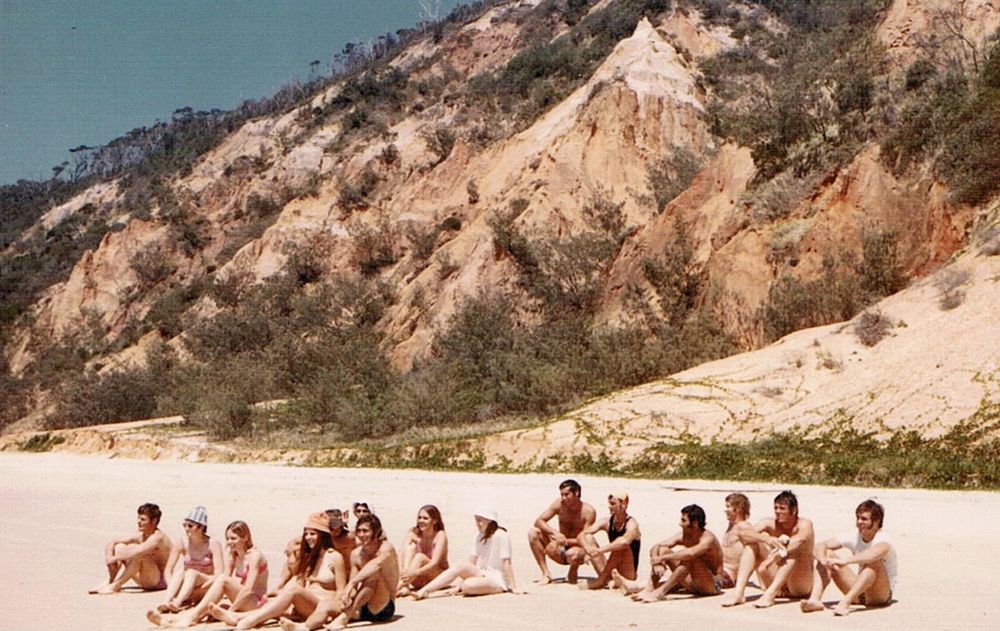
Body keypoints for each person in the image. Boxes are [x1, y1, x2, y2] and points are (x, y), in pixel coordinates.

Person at [210, 512, 346, 630]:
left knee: (292, 590)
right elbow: (300, 581)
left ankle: (249, 621)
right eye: (306, 534)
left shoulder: (334, 557)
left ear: (323, 536)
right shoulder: (310, 557)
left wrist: (329, 612)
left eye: (313, 534)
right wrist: (282, 595)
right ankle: (237, 617)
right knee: (274, 605)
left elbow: (341, 591)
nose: (308, 537)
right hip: (305, 604)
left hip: (321, 605)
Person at [147, 520, 269, 627]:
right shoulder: (233, 555)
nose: (229, 542)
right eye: (227, 538)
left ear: (245, 537)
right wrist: (201, 591)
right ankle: (171, 620)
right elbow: (222, 581)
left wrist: (231, 611)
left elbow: (248, 589)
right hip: (242, 599)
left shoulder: (255, 556)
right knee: (208, 608)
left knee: (222, 584)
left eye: (233, 538)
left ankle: (192, 618)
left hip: (256, 602)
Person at [800, 499, 896, 616]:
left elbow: (873, 554)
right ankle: (814, 600)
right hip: (860, 593)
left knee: (874, 562)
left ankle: (845, 603)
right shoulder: (854, 535)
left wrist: (845, 561)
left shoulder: (883, 538)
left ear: (876, 522)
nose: (859, 522)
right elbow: (820, 546)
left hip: (880, 595)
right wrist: (823, 560)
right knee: (827, 553)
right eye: (858, 518)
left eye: (864, 519)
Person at [721, 490, 815, 608]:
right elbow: (743, 534)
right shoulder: (769, 523)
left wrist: (771, 559)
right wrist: (766, 539)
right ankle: (738, 594)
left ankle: (770, 596)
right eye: (776, 508)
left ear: (794, 510)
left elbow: (799, 541)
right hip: (775, 579)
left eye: (782, 508)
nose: (777, 511)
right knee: (752, 544)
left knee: (794, 550)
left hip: (799, 585)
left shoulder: (804, 524)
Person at [617, 505, 723, 602]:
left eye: (684, 521)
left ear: (695, 523)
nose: (680, 524)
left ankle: (660, 592)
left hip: (712, 584)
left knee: (689, 558)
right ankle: (650, 589)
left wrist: (663, 558)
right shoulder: (683, 536)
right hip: (693, 581)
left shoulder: (708, 538)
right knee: (663, 550)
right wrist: (657, 562)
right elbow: (657, 546)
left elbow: (691, 553)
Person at [413, 506, 520, 599]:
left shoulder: (501, 535)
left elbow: (506, 563)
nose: (477, 524)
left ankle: (478, 586)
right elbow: (471, 562)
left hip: (497, 580)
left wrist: (514, 588)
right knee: (461, 565)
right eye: (476, 520)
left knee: (467, 585)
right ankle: (425, 591)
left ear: (489, 521)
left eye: (480, 520)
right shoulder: (479, 536)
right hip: (482, 573)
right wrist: (458, 585)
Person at [327, 514, 400, 628]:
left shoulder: (386, 548)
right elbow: (353, 587)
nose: (361, 535)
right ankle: (303, 626)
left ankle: (345, 617)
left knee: (373, 575)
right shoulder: (356, 554)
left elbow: (375, 565)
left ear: (376, 532)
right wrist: (347, 597)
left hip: (383, 607)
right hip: (362, 605)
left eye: (365, 531)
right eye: (359, 531)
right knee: (327, 607)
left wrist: (351, 584)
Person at [152, 506, 224, 613]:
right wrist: (172, 586)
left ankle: (178, 602)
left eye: (190, 526)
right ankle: (166, 601)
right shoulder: (181, 543)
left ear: (201, 527)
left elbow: (219, 574)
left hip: (206, 583)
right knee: (181, 572)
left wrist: (199, 590)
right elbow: (168, 570)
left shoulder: (213, 544)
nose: (186, 528)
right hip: (186, 585)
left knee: (191, 573)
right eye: (184, 525)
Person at [90, 503, 173, 594]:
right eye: (138, 518)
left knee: (140, 555)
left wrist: (115, 558)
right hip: (146, 578)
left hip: (161, 581)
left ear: (154, 521)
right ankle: (110, 580)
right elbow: (113, 542)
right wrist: (109, 557)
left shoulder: (158, 537)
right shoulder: (141, 534)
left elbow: (138, 551)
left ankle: (115, 586)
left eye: (143, 519)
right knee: (119, 547)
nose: (138, 521)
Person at [527, 479, 597, 584]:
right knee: (533, 533)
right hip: (559, 548)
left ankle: (573, 571)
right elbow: (539, 521)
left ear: (576, 492)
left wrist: (562, 541)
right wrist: (555, 533)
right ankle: (546, 573)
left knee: (574, 553)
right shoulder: (559, 504)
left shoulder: (588, 511)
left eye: (567, 494)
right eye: (562, 495)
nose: (563, 498)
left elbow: (586, 539)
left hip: (576, 550)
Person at [578, 490, 641, 590]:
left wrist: (599, 551)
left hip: (628, 571)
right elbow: (581, 535)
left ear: (623, 504)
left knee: (620, 546)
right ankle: (610, 581)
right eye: (609, 503)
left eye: (613, 504)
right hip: (612, 566)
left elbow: (624, 542)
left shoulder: (632, 524)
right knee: (588, 538)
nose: (609, 507)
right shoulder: (606, 521)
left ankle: (601, 581)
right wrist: (588, 549)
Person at [397, 505, 449, 596]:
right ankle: (405, 587)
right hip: (415, 578)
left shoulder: (440, 535)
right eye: (419, 518)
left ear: (435, 521)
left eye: (425, 518)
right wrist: (402, 570)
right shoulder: (414, 532)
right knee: (410, 548)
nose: (421, 521)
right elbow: (401, 553)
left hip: (437, 578)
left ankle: (398, 586)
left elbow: (434, 563)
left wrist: (415, 572)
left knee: (420, 557)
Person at [720, 493, 752, 590]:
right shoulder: (732, 526)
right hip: (720, 572)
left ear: (737, 509)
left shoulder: (743, 526)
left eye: (728, 507)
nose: (725, 510)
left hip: (728, 576)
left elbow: (756, 540)